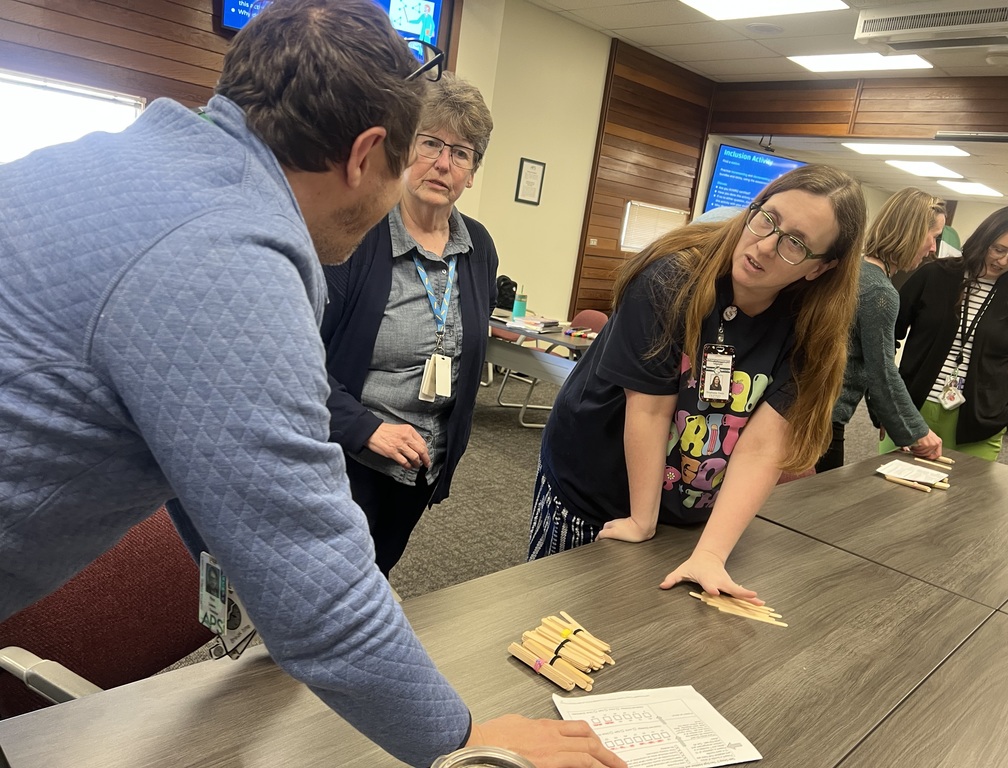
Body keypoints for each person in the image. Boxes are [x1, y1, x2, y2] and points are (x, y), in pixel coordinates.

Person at [0, 2, 623, 767]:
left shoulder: (121, 160)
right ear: (367, 154)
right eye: (409, 159)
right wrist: (471, 742)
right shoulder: (226, 254)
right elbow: (315, 595)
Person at [528, 165, 866, 604]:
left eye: (795, 244)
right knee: (556, 615)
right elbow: (649, 409)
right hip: (597, 488)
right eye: (767, 219)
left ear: (820, 269)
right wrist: (641, 519)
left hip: (691, 508)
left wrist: (711, 552)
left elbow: (763, 448)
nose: (764, 246)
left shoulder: (811, 330)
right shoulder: (671, 278)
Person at [321, 72, 497, 578]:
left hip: (423, 464)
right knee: (330, 591)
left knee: (379, 572)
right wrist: (364, 428)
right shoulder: (360, 233)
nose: (444, 163)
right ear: (402, 150)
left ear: (471, 171)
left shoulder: (478, 247)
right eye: (431, 143)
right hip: (349, 459)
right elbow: (298, 358)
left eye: (462, 152)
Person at [880, 202, 1008, 460]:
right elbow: (885, 337)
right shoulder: (935, 275)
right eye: (999, 249)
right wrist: (886, 403)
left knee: (965, 500)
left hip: (979, 423)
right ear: (984, 239)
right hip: (911, 412)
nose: (1004, 261)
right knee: (892, 497)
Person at [816, 188, 946, 472]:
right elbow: (882, 370)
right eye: (934, 237)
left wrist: (884, 415)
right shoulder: (879, 291)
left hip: (808, 410)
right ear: (912, 233)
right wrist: (916, 431)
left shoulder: (853, 271)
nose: (933, 248)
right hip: (823, 423)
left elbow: (859, 355)